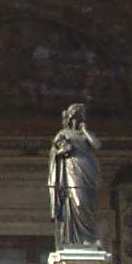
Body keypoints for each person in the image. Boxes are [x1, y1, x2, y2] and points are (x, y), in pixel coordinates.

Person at [49, 102, 102, 248]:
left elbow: (96, 145)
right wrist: (63, 150)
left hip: (89, 168)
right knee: (79, 201)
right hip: (71, 169)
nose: (81, 119)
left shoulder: (85, 134)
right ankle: (75, 239)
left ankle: (89, 238)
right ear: (72, 117)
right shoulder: (63, 134)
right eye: (79, 116)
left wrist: (85, 130)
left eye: (82, 116)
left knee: (89, 204)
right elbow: (56, 152)